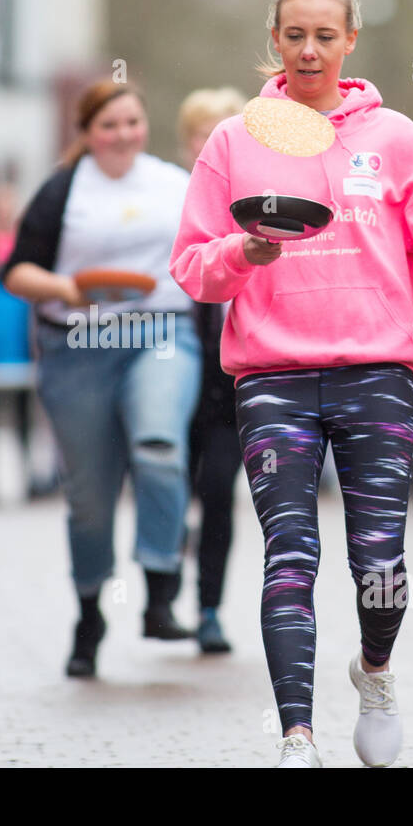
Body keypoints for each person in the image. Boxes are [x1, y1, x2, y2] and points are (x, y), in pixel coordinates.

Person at [169, 0, 413, 767]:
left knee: (379, 560)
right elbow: (191, 266)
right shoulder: (236, 141)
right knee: (290, 550)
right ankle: (297, 736)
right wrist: (240, 253)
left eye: (326, 35)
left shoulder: (393, 137)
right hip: (272, 376)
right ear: (275, 41)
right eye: (294, 35)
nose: (309, 50)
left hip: (377, 372)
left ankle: (376, 671)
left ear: (351, 40)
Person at [3, 79, 202, 678]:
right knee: (89, 496)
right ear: (87, 133)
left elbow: (211, 250)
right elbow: (16, 272)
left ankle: (161, 583)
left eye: (132, 123)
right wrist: (66, 288)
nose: (122, 136)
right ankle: (89, 612)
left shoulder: (174, 184)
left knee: (159, 447)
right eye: (108, 125)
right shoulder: (63, 191)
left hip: (160, 332)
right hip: (80, 341)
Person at [176, 87, 248, 654]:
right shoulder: (167, 203)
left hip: (228, 381)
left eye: (223, 129)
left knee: (219, 491)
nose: (213, 142)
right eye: (203, 132)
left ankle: (208, 609)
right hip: (170, 368)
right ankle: (161, 575)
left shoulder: (258, 207)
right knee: (169, 484)